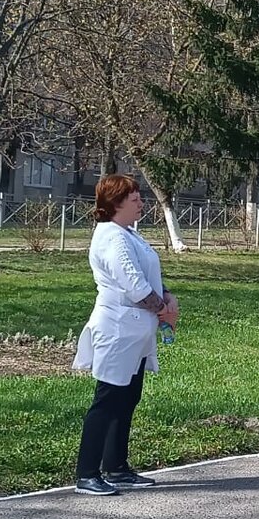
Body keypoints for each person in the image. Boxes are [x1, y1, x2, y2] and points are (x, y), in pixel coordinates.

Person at [72, 174, 179, 496]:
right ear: (116, 203)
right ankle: (87, 473)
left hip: (136, 330)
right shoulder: (111, 237)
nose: (140, 203)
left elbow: (148, 273)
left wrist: (167, 296)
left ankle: (116, 467)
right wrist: (164, 309)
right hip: (118, 327)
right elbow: (133, 285)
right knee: (107, 399)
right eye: (134, 199)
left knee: (127, 397)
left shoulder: (129, 234)